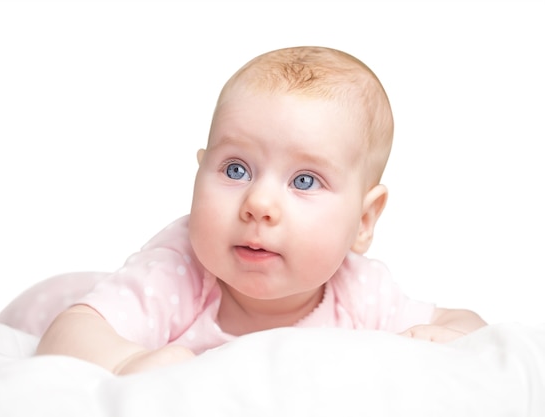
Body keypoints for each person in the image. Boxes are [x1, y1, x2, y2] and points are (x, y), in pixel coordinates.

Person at [29, 46, 486, 374]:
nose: (259, 205)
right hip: (46, 301)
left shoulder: (361, 294)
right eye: (235, 169)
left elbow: (465, 324)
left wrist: (447, 341)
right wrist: (127, 362)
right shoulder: (179, 272)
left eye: (304, 180)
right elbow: (69, 333)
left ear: (364, 221)